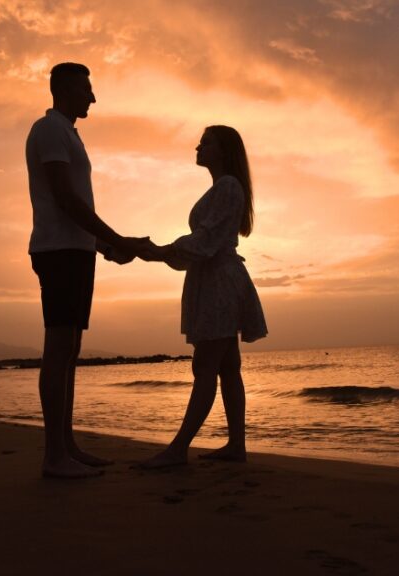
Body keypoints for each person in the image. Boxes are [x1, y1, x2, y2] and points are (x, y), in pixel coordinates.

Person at [26, 62, 148, 479]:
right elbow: (64, 199)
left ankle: (68, 446)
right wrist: (115, 238)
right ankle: (54, 457)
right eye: (85, 89)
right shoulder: (49, 130)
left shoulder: (69, 134)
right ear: (63, 90)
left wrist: (101, 245)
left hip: (77, 250)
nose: (92, 97)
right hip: (58, 251)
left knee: (70, 353)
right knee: (58, 350)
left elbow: (75, 204)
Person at [139, 125, 268, 468]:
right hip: (217, 279)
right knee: (227, 367)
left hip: (218, 284)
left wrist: (160, 252)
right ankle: (236, 446)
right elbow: (205, 242)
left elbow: (206, 241)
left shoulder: (227, 186)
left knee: (206, 367)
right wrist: (163, 253)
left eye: (206, 142)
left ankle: (178, 449)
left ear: (224, 150)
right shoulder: (223, 187)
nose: (198, 146)